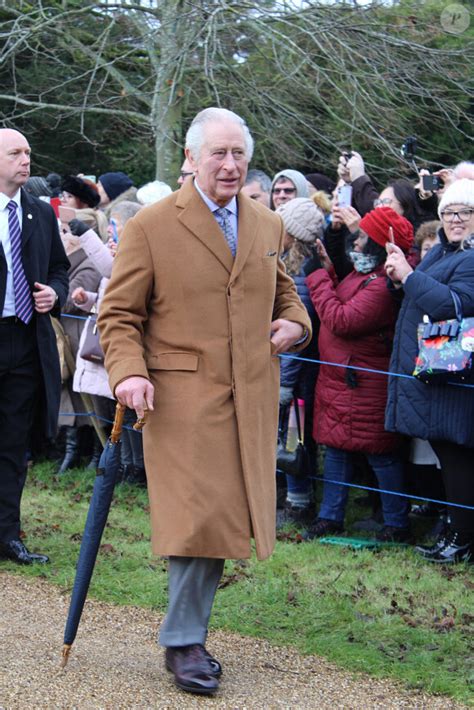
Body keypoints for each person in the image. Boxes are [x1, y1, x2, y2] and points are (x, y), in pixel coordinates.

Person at [98, 107, 311, 696]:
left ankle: (186, 634)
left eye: (238, 153)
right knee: (198, 518)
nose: (229, 163)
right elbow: (117, 314)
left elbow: (286, 296)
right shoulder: (152, 225)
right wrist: (128, 374)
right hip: (182, 399)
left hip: (253, 396)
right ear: (191, 158)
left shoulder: (267, 224)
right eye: (217, 153)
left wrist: (297, 324)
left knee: (221, 516)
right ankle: (184, 642)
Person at [304, 207, 414, 542]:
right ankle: (330, 517)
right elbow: (344, 298)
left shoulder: (382, 286)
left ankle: (396, 523)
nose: (358, 240)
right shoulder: (361, 274)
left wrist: (318, 278)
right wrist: (329, 272)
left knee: (380, 454)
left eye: (365, 236)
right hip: (341, 380)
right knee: (335, 449)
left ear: (381, 245)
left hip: (364, 383)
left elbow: (342, 320)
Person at [385, 179, 474, 563]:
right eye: (450, 212)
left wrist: (408, 274)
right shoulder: (443, 252)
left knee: (457, 457)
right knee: (448, 454)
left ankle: (462, 540)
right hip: (438, 373)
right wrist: (398, 279)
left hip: (457, 376)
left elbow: (454, 305)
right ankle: (456, 533)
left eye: (466, 212)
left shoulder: (470, 257)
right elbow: (420, 294)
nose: (456, 219)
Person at [0, 128, 69, 564]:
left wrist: (55, 294)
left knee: (12, 445)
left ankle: (7, 535)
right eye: (15, 153)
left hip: (25, 340)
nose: (26, 160)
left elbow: (60, 268)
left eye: (28, 152)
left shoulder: (40, 212)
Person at [275, 197, 325, 525]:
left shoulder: (300, 275)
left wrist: (285, 385)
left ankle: (298, 503)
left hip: (296, 378)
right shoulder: (292, 267)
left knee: (293, 438)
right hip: (294, 374)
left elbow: (295, 338)